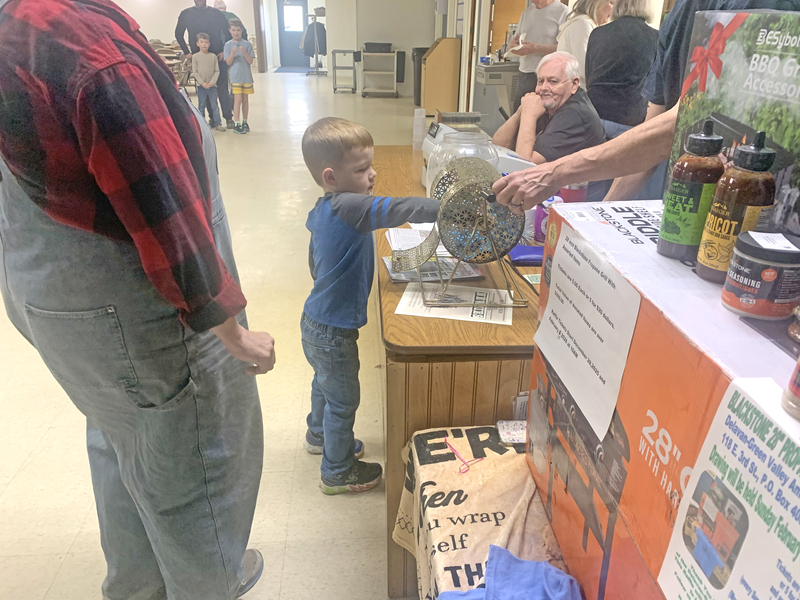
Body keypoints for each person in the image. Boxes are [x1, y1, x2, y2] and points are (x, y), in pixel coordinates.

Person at [0, 1, 276, 598]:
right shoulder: (80, 44)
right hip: (134, 303)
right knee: (193, 468)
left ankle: (136, 586)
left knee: (122, 437)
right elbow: (158, 195)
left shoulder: (14, 24)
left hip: (48, 286)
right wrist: (227, 326)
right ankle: (208, 582)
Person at [494, 0, 800, 210]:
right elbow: (653, 132)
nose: (545, 87)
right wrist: (602, 215)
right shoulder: (680, 15)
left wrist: (555, 173)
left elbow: (684, 120)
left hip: (756, 215)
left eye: (553, 80)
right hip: (683, 204)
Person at [300, 117, 440, 494]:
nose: (373, 175)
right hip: (334, 331)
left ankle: (319, 435)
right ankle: (337, 469)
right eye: (362, 170)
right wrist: (448, 209)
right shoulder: (353, 206)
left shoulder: (324, 207)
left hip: (314, 321)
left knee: (324, 385)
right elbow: (403, 208)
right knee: (344, 401)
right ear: (331, 177)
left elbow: (314, 261)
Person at [493, 52, 606, 166]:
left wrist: (528, 115)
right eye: (540, 81)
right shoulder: (550, 104)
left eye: (553, 81)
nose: (544, 88)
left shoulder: (574, 114)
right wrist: (520, 113)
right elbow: (497, 147)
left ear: (574, 84)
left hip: (583, 183)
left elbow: (523, 166)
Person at [585, 0, 658, 139]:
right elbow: (654, 84)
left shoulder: (598, 32)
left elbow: (589, 75)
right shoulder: (655, 37)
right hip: (629, 115)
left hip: (593, 111)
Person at [176, 0, 235, 128]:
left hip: (218, 56)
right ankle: (213, 119)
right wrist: (187, 52)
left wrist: (225, 50)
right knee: (205, 88)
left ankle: (228, 118)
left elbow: (227, 32)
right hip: (199, 58)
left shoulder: (216, 13)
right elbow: (178, 34)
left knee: (222, 88)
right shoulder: (186, 13)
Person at [509, 0, 570, 113]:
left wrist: (535, 48)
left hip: (550, 78)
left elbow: (564, 48)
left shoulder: (564, 12)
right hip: (525, 74)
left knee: (543, 121)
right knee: (518, 117)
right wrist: (513, 47)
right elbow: (514, 42)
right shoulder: (526, 13)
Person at [556, 0, 614, 87]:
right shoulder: (583, 24)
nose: (614, 8)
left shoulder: (586, 24)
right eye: (611, 3)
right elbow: (585, 66)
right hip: (576, 92)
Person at [225, 20, 255, 134]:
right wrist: (232, 53)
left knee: (245, 100)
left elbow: (250, 61)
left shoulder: (247, 44)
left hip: (246, 77)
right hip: (235, 77)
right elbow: (228, 62)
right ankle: (237, 123)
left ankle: (245, 121)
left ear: (241, 31)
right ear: (230, 31)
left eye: (238, 30)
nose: (236, 32)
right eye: (233, 30)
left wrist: (244, 52)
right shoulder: (228, 45)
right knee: (238, 99)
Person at [193, 32, 225, 131]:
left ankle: (218, 123)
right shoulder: (195, 56)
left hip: (212, 86)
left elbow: (217, 71)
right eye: (202, 42)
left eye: (206, 42)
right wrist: (202, 83)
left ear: (209, 44)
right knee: (201, 106)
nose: (204, 44)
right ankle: (202, 125)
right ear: (197, 43)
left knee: (214, 105)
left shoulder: (213, 56)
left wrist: (212, 82)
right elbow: (195, 72)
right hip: (201, 86)